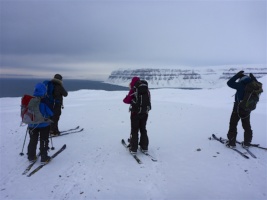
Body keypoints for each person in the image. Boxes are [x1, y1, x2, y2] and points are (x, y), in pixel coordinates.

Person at [226, 70, 257, 149]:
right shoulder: (253, 86)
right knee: (246, 125)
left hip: (237, 108)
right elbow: (258, 86)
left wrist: (237, 75)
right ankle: (247, 143)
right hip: (247, 108)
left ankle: (232, 143)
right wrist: (253, 79)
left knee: (233, 124)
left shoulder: (240, 85)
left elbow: (229, 83)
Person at [123, 77, 151, 154]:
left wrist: (129, 95)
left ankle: (133, 148)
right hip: (145, 113)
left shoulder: (134, 90)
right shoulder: (146, 89)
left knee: (134, 130)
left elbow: (126, 101)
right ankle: (144, 147)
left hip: (135, 113)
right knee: (143, 129)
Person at [28, 83, 53, 163]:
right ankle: (44, 157)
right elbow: (51, 113)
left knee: (33, 140)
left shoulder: (30, 100)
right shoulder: (45, 101)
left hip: (32, 124)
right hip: (44, 124)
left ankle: (31, 157)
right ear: (44, 91)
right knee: (44, 140)